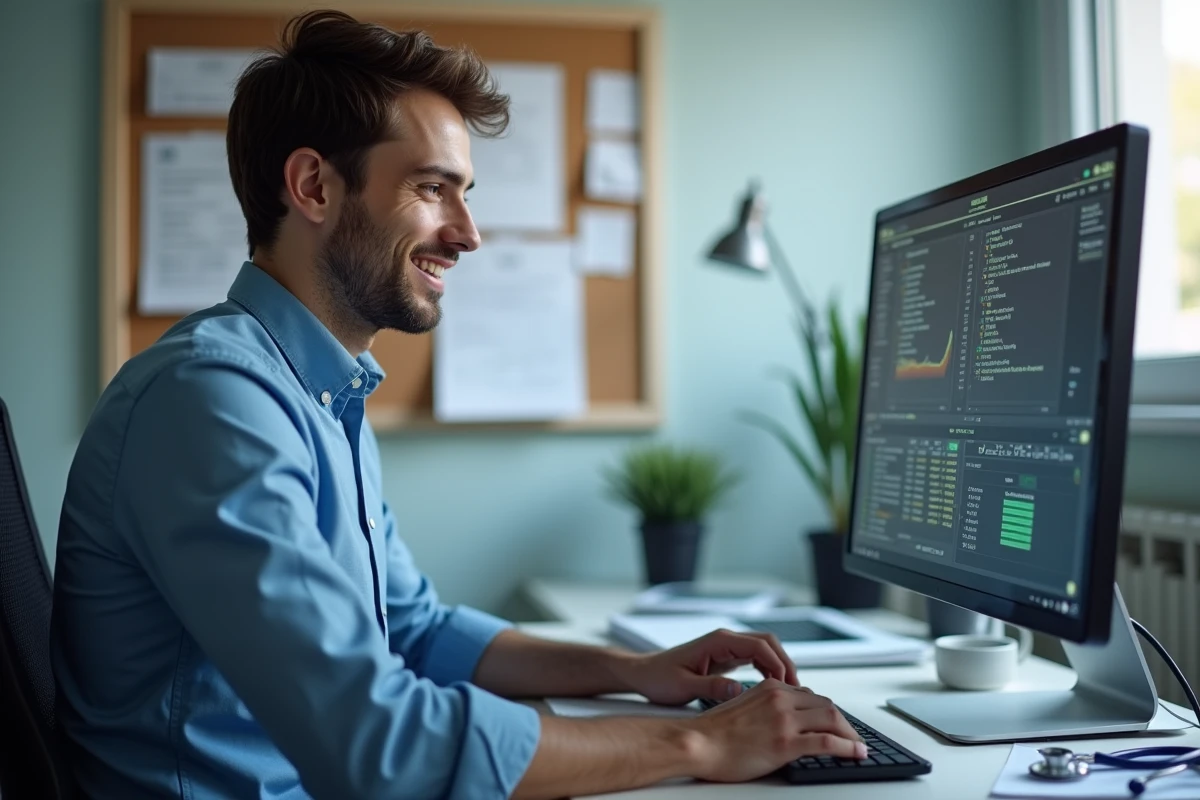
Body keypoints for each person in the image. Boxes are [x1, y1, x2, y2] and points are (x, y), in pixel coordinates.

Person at [50, 10, 865, 799]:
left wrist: (632, 672)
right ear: (313, 187)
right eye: (433, 188)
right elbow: (379, 747)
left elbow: (413, 629)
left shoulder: (319, 393)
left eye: (464, 192)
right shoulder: (213, 402)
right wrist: (701, 742)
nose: (470, 233)